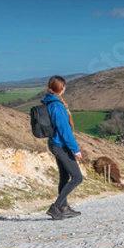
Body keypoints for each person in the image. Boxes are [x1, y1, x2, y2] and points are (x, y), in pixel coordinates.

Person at [44, 75, 83, 220]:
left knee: (65, 176)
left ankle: (64, 208)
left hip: (56, 143)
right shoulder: (56, 105)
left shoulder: (51, 101)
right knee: (77, 177)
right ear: (62, 88)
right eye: (64, 85)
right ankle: (56, 206)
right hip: (60, 145)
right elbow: (64, 129)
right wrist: (75, 149)